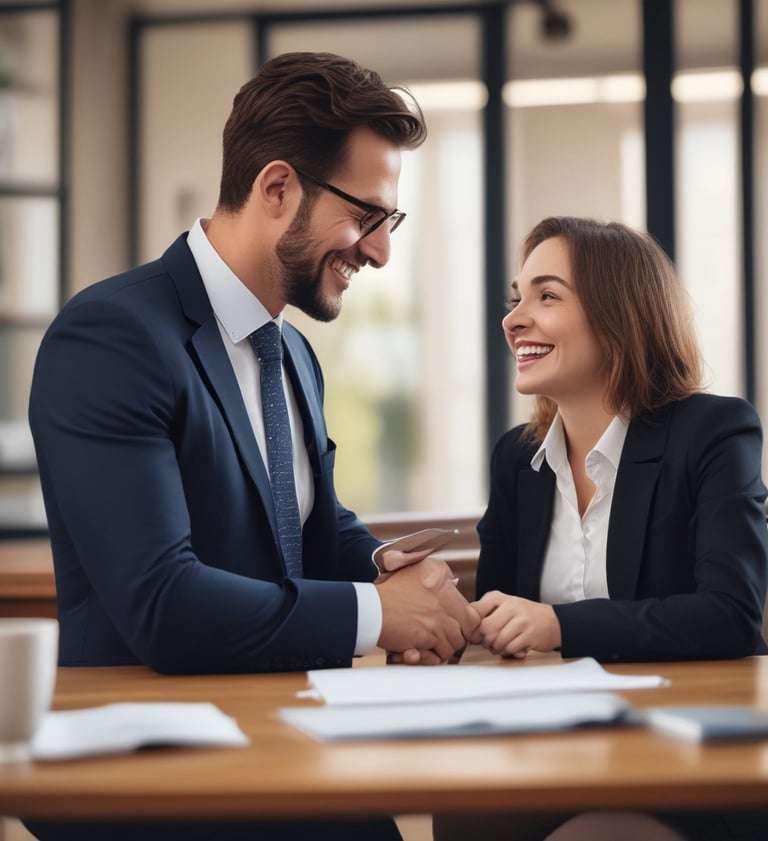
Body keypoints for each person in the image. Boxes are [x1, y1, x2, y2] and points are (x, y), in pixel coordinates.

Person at [26, 52, 480, 841]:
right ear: (276, 189)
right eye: (367, 216)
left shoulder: (290, 351)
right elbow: (164, 603)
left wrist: (385, 567)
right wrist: (380, 613)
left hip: (283, 735)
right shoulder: (111, 337)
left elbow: (302, 524)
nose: (380, 251)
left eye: (391, 222)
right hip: (150, 773)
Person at [435, 215, 768, 841]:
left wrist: (558, 624)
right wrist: (449, 627)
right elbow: (500, 620)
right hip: (557, 748)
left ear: (619, 317)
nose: (513, 319)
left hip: (691, 757)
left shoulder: (714, 433)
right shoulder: (517, 459)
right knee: (464, 811)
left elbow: (730, 616)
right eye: (516, 298)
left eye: (547, 296)